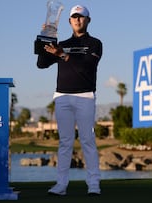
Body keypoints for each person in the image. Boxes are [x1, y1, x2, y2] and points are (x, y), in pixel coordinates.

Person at [36, 5, 102, 196]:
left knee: (87, 140)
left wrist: (63, 55)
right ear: (69, 21)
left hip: (85, 96)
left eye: (81, 17)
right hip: (62, 97)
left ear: (88, 20)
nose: (78, 20)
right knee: (65, 142)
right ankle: (61, 185)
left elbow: (87, 67)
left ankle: (94, 185)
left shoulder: (95, 44)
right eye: (74, 17)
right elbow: (41, 64)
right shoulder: (61, 44)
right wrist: (45, 38)